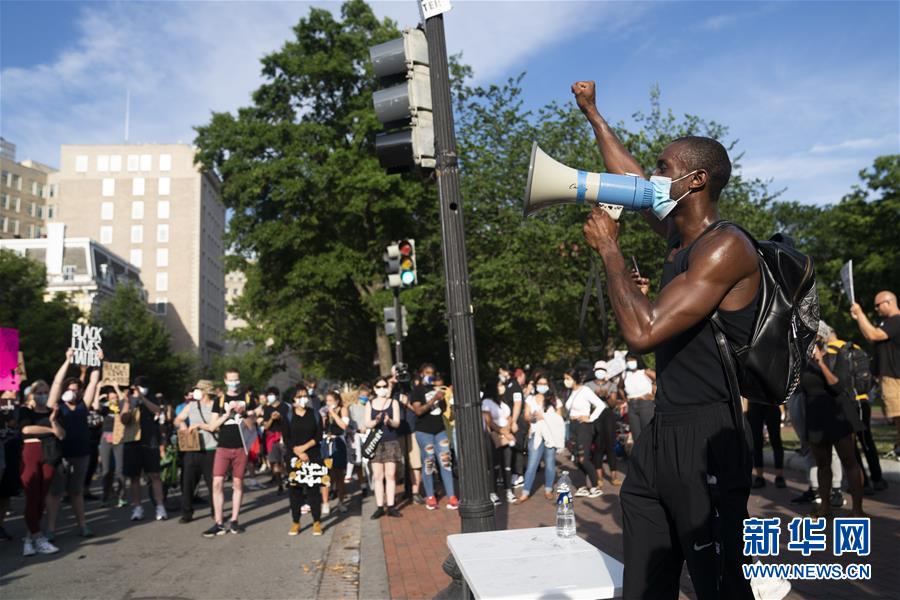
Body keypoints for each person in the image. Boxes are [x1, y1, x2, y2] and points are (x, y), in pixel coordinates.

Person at [576, 78, 759, 598]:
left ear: (696, 180)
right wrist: (595, 115)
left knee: (718, 584)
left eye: (664, 169)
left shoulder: (725, 247)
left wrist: (610, 252)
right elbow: (631, 184)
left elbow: (643, 332)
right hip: (664, 430)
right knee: (645, 582)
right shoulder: (681, 238)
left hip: (708, 434)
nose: (653, 177)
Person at [802, 333, 865, 517]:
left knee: (849, 461)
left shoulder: (838, 357)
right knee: (823, 463)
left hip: (838, 415)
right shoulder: (804, 364)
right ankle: (825, 507)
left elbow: (837, 386)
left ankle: (857, 509)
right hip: (815, 417)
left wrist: (821, 363)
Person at [46, 350, 101, 539]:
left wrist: (97, 362)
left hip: (81, 454)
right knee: (55, 493)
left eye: (77, 389)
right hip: (61, 455)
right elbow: (55, 382)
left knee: (76, 492)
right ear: (64, 390)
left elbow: (93, 382)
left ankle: (83, 526)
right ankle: (51, 529)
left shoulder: (82, 405)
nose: (74, 391)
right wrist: (68, 359)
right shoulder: (56, 405)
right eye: (70, 388)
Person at [205, 368, 256, 536]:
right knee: (217, 482)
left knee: (238, 483)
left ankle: (234, 520)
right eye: (231, 380)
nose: (234, 383)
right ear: (225, 381)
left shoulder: (248, 399)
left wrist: (243, 413)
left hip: (241, 447)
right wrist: (226, 414)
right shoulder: (219, 401)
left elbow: (251, 426)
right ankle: (218, 522)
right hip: (223, 446)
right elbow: (212, 426)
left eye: (237, 379)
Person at [850, 290, 900, 459]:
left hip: (895, 378)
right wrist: (859, 319)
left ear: (889, 302)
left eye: (878, 305)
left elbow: (873, 334)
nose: (876, 309)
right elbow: (871, 336)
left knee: (898, 415)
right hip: (891, 377)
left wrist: (860, 312)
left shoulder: (896, 321)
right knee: (896, 417)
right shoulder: (888, 324)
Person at [18, 380, 64, 555]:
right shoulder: (25, 411)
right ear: (32, 394)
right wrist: (50, 430)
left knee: (41, 498)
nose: (43, 395)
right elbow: (27, 430)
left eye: (46, 392)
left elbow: (61, 434)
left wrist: (53, 422)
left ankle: (30, 538)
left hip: (50, 454)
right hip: (30, 453)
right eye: (39, 392)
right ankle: (38, 538)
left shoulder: (54, 412)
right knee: (32, 496)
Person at [409, 364, 457, 510]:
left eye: (432, 373)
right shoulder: (417, 391)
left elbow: (442, 410)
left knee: (445, 461)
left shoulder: (435, 389)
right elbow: (418, 411)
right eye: (427, 373)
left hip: (440, 430)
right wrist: (434, 399)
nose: (430, 375)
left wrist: (442, 400)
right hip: (424, 432)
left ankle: (452, 496)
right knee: (429, 462)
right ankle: (430, 496)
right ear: (421, 374)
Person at [120, 375, 166, 522]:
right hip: (133, 442)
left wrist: (142, 398)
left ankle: (160, 506)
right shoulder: (126, 400)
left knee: (155, 475)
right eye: (140, 386)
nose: (143, 388)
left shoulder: (151, 398)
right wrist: (128, 402)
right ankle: (137, 507)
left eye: (144, 386)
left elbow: (157, 410)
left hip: (150, 440)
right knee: (135, 477)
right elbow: (124, 420)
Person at [174, 380, 221, 524]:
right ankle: (187, 513)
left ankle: (216, 511)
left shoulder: (215, 406)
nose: (195, 392)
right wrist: (182, 425)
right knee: (187, 482)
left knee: (213, 483)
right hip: (192, 448)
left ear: (206, 391)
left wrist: (200, 425)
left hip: (210, 449)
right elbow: (178, 419)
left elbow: (217, 427)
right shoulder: (192, 405)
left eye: (198, 389)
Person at [518, 376, 565, 503]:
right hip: (536, 434)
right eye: (540, 383)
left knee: (550, 463)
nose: (542, 386)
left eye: (545, 383)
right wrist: (533, 417)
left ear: (549, 385)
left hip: (550, 435)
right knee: (532, 464)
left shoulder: (554, 400)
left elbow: (559, 419)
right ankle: (525, 492)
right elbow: (526, 416)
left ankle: (548, 489)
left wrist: (544, 416)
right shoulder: (530, 399)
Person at [285, 388, 324, 536]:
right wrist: (297, 451)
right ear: (293, 399)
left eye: (305, 396)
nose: (303, 399)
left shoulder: (314, 414)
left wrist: (305, 448)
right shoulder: (288, 416)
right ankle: (296, 522)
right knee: (295, 490)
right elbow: (286, 438)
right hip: (294, 457)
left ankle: (316, 521)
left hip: (312, 455)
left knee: (313, 489)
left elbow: (319, 434)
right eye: (299, 396)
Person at [563, 367, 605, 498]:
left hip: (584, 426)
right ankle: (582, 486)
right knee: (577, 459)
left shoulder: (585, 390)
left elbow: (600, 405)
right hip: (573, 426)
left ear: (574, 378)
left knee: (583, 458)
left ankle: (595, 485)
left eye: (568, 378)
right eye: (565, 379)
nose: (566, 381)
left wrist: (590, 418)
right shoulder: (571, 392)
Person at [366, 377, 403, 518]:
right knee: (377, 476)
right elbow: (367, 423)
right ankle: (380, 506)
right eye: (379, 386)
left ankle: (391, 506)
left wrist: (389, 421)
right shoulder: (370, 403)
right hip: (375, 443)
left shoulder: (393, 402)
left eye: (384, 386)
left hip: (391, 441)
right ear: (374, 389)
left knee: (390, 475)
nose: (382, 389)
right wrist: (375, 421)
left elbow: (397, 423)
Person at [482, 376, 516, 504]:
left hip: (506, 435)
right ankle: (493, 492)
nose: (502, 387)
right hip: (494, 437)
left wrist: (507, 429)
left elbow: (509, 416)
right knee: (494, 465)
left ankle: (508, 490)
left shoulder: (502, 401)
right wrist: (503, 432)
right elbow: (488, 421)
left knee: (507, 465)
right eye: (500, 385)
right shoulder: (486, 402)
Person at [97, 385, 127, 507]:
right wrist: (99, 393)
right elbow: (95, 406)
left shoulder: (122, 407)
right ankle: (105, 496)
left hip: (119, 438)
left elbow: (124, 401)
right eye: (111, 398)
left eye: (115, 397)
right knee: (106, 470)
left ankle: (121, 496)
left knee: (119, 470)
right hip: (106, 438)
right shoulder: (105, 408)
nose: (114, 399)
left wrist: (115, 387)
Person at [320, 390, 349, 515]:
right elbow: (321, 428)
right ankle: (325, 502)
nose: (328, 403)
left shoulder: (343, 410)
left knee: (339, 475)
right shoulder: (325, 412)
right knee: (326, 474)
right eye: (327, 401)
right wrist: (323, 417)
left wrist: (333, 414)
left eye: (331, 400)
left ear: (337, 401)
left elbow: (344, 426)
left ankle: (341, 502)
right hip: (326, 443)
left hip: (339, 443)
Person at [0, 390, 23, 542]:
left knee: (5, 494)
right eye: (8, 394)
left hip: (11, 454)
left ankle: (0, 525)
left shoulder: (14, 409)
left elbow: (15, 424)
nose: (12, 396)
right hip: (2, 450)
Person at [499, 365, 527, 489]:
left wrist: (514, 421)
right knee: (510, 447)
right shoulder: (509, 385)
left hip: (517, 421)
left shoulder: (515, 386)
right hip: (509, 420)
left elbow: (517, 404)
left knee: (517, 447)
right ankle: (511, 474)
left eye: (501, 372)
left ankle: (519, 474)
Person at [261, 386, 290, 495]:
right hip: (271, 438)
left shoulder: (285, 407)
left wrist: (280, 417)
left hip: (283, 436)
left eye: (272, 395)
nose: (270, 397)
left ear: (277, 396)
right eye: (268, 395)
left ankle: (289, 478)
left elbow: (289, 422)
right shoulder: (267, 409)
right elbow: (266, 426)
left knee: (287, 460)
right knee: (275, 462)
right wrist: (272, 419)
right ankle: (279, 484)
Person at [622, 354, 656, 445]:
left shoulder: (645, 372)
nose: (630, 362)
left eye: (632, 360)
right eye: (628, 360)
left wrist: (654, 394)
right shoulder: (625, 374)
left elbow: (660, 379)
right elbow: (620, 388)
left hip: (645, 404)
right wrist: (624, 399)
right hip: (632, 406)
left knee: (648, 433)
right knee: (636, 435)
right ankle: (641, 457)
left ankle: (651, 457)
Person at [347, 385, 371, 496]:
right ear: (358, 395)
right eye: (362, 396)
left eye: (366, 396)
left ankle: (371, 482)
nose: (364, 398)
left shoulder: (369, 406)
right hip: (356, 436)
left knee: (369, 461)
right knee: (358, 463)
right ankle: (363, 485)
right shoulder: (352, 408)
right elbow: (350, 422)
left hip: (368, 435)